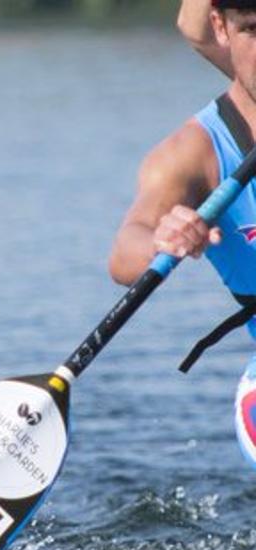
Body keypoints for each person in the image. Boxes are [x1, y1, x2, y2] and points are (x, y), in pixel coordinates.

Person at [111, 1, 256, 471]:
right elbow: (124, 253)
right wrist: (163, 239)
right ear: (222, 28)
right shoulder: (194, 153)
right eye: (254, 31)